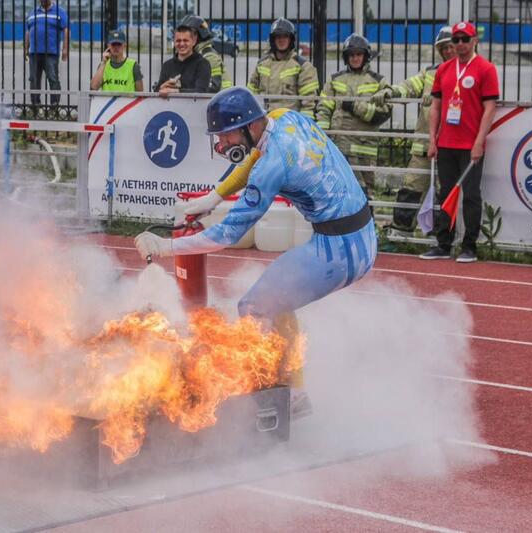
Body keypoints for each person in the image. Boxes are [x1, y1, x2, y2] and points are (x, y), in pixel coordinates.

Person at [134, 87, 377, 418]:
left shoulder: (272, 166)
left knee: (254, 306)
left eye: (225, 135)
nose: (222, 144)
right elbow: (254, 158)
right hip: (359, 232)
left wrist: (166, 246)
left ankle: (284, 396)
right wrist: (216, 196)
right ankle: (293, 389)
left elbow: (227, 234)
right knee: (277, 296)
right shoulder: (284, 117)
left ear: (248, 126)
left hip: (340, 249)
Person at [419, 21, 499, 263]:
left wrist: (479, 142)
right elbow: (435, 107)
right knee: (447, 194)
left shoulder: (486, 69)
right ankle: (443, 244)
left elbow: (490, 108)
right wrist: (432, 140)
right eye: (457, 40)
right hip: (446, 144)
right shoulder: (444, 70)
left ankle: (469, 247)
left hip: (470, 145)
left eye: (466, 39)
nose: (461, 44)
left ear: (475, 41)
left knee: (471, 195)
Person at [371, 27, 455, 234]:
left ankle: (442, 238)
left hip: (450, 146)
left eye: (451, 46)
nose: (448, 51)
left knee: (445, 194)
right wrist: (390, 91)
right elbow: (408, 86)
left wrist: (438, 98)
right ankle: (401, 233)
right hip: (423, 147)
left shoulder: (465, 73)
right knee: (410, 189)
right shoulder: (430, 73)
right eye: (444, 48)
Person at [316, 34, 392, 199]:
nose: (355, 58)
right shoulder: (335, 79)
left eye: (359, 54)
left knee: (365, 193)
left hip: (364, 147)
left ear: (366, 56)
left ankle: (367, 217)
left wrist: (355, 107)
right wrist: (323, 138)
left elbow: (384, 112)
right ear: (346, 57)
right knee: (338, 190)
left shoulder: (378, 81)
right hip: (338, 146)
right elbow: (324, 109)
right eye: (351, 55)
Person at [247, 17, 319, 119]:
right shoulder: (262, 64)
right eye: (278, 37)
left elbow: (309, 103)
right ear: (273, 39)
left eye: (285, 36)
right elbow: (251, 95)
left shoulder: (303, 66)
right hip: (265, 120)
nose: (282, 40)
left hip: (291, 121)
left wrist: (302, 125)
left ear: (291, 39)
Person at [24, 0, 69, 105]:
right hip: (34, 53)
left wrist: (65, 49)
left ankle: (54, 105)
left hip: (51, 53)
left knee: (53, 78)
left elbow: (66, 30)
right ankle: (35, 105)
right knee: (34, 79)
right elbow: (28, 31)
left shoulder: (59, 11)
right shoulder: (32, 13)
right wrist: (26, 49)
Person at [178, 14, 232, 93]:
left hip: (222, 99)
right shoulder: (196, 56)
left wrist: (179, 91)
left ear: (198, 36)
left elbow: (213, 88)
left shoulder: (209, 57)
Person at [154, 23, 212, 96]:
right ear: (174, 42)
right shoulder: (167, 65)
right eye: (178, 41)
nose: (181, 44)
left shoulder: (203, 64)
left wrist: (176, 91)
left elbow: (201, 91)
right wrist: (162, 87)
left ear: (194, 42)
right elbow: (156, 93)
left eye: (185, 40)